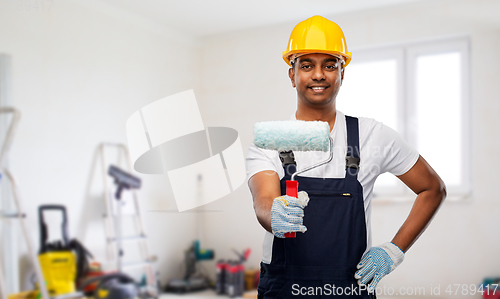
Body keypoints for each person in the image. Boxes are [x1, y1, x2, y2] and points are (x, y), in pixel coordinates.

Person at [246, 15, 446, 298]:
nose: (318, 75)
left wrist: (394, 250)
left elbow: (432, 188)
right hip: (284, 287)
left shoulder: (372, 135)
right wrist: (274, 214)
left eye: (330, 65)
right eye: (306, 65)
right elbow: (263, 200)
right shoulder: (269, 141)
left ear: (342, 73)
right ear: (291, 75)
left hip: (350, 287)